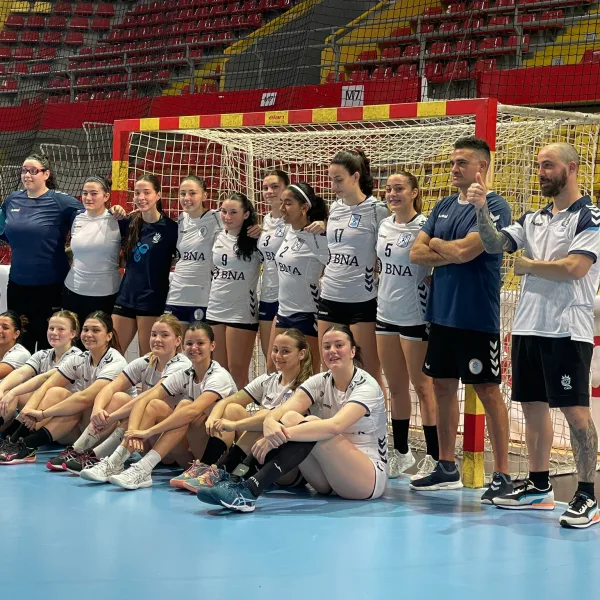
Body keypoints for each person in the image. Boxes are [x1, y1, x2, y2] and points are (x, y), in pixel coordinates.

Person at [470, 142, 600, 528]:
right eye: (538, 165)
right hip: (528, 325)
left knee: (575, 411)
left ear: (572, 168)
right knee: (531, 406)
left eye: (549, 165)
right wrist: (481, 209)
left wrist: (530, 265)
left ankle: (587, 495)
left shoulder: (589, 217)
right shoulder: (533, 218)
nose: (541, 171)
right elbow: (495, 244)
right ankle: (539, 486)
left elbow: (576, 268)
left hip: (566, 328)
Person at [409, 136, 512, 503]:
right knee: (441, 387)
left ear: (481, 167)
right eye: (452, 162)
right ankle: (446, 466)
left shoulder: (495, 206)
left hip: (476, 317)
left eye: (461, 163)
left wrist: (438, 245)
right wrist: (444, 249)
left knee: (486, 390)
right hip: (441, 315)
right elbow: (415, 252)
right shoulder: (443, 205)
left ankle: (501, 474)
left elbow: (468, 251)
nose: (453, 169)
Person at [199, 325, 388, 513]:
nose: (332, 351)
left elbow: (335, 426)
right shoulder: (319, 381)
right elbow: (282, 410)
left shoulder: (366, 386)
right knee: (290, 417)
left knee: (313, 424)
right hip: (327, 481)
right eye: (327, 346)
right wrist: (270, 424)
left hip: (366, 479)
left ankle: (248, 489)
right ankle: (235, 478)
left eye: (339, 345)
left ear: (353, 351)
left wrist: (280, 436)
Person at [89, 323, 236, 490]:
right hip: (186, 454)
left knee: (185, 406)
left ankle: (143, 467)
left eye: (200, 343)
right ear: (183, 345)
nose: (194, 348)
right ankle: (117, 461)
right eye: (189, 344)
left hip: (214, 453)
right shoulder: (185, 374)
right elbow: (144, 399)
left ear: (212, 346)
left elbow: (192, 411)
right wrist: (134, 431)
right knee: (154, 404)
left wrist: (149, 432)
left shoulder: (218, 375)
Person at [174, 328, 313, 492]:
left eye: (285, 351)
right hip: (259, 455)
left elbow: (271, 418)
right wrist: (214, 417)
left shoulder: (308, 386)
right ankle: (209, 469)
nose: (278, 356)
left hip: (289, 467)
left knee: (264, 417)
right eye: (275, 350)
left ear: (301, 354)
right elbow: (228, 401)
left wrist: (234, 426)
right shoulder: (268, 380)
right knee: (232, 409)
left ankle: (221, 472)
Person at [63, 314, 191, 474]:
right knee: (120, 398)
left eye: (164, 335)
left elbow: (151, 395)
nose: (157, 339)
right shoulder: (146, 361)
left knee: (151, 405)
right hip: (148, 439)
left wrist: (113, 417)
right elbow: (110, 387)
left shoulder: (182, 364)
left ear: (178, 341)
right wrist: (98, 408)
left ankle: (104, 459)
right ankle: (83, 451)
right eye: (153, 334)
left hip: (176, 446)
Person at [0, 312, 127, 465]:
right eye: (86, 330)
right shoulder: (80, 358)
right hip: (72, 426)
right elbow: (47, 383)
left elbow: (84, 397)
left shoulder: (115, 361)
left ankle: (30, 444)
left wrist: (42, 413)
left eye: (96, 330)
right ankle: (16, 442)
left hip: (105, 429)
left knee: (116, 398)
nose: (89, 334)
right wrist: (29, 409)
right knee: (50, 392)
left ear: (109, 336)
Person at [376, 172, 438, 479]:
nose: (392, 194)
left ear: (414, 192)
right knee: (397, 389)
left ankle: (435, 456)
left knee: (423, 388)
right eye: (388, 189)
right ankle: (401, 452)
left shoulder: (425, 226)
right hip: (384, 314)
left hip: (414, 316)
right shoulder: (385, 225)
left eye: (399, 189)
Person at [318, 150, 388, 391]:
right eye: (331, 179)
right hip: (329, 297)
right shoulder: (335, 208)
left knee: (368, 372)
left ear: (355, 176)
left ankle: (379, 427)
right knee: (330, 369)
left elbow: (385, 252)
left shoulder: (377, 210)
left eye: (339, 179)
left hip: (362, 300)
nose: (333, 185)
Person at [0, 154, 82, 352]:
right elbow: (5, 232)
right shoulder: (12, 200)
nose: (27, 174)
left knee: (51, 345)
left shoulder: (62, 202)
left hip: (51, 287)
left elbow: (93, 219)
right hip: (18, 286)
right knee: (20, 346)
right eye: (24, 170)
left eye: (33, 171)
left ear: (46, 174)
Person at [266, 182, 329, 375]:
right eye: (282, 202)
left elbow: (335, 263)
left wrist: (326, 225)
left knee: (307, 375)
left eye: (288, 203)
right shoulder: (287, 231)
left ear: (304, 207)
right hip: (283, 312)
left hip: (307, 314)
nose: (282, 208)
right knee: (273, 371)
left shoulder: (318, 236)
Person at [112, 174, 178, 356]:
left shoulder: (171, 229)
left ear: (158, 195)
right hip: (125, 296)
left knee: (148, 358)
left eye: (146, 192)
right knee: (111, 354)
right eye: (137, 193)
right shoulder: (128, 223)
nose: (141, 197)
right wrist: (113, 209)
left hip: (151, 299)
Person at [205, 192, 260, 388]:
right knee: (219, 370)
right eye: (224, 211)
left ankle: (236, 414)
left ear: (246, 214)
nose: (227, 217)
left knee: (237, 372)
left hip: (242, 312)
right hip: (215, 309)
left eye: (233, 212)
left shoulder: (257, 240)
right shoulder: (217, 236)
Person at [0, 310, 80, 444]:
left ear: (73, 333)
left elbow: (44, 380)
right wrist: (2, 389)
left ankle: (17, 440)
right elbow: (21, 373)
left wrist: (14, 391)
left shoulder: (76, 356)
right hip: (40, 418)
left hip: (68, 424)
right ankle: (10, 435)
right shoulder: (43, 354)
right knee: (10, 390)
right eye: (51, 328)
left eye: (61, 329)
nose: (54, 332)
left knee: (53, 392)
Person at [62, 176, 127, 329]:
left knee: (100, 345)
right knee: (73, 345)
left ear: (106, 196)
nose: (88, 198)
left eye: (93, 193)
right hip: (73, 292)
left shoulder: (118, 219)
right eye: (85, 193)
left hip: (106, 295)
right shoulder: (75, 217)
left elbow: (131, 251)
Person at [164, 175, 222, 327]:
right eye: (183, 193)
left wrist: (258, 229)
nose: (186, 198)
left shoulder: (218, 218)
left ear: (204, 195)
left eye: (192, 193)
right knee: (174, 348)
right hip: (176, 295)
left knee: (198, 348)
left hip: (202, 297)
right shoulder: (181, 220)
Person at [257, 170, 289, 371]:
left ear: (286, 188)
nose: (269, 191)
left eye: (274, 187)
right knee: (270, 362)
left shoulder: (295, 220)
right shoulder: (265, 221)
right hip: (267, 296)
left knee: (289, 360)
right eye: (265, 188)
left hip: (288, 297)